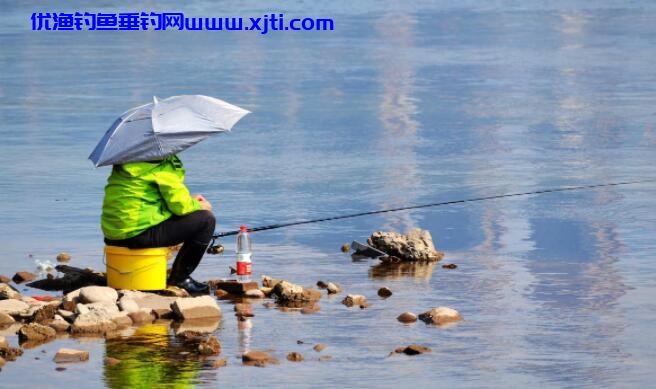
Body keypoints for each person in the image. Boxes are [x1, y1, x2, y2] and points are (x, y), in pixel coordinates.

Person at [101, 154, 215, 294]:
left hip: (114, 236)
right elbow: (180, 207)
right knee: (206, 220)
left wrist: (189, 201)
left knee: (192, 214)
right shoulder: (162, 166)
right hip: (138, 235)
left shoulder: (124, 162)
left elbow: (144, 201)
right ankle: (180, 279)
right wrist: (200, 205)